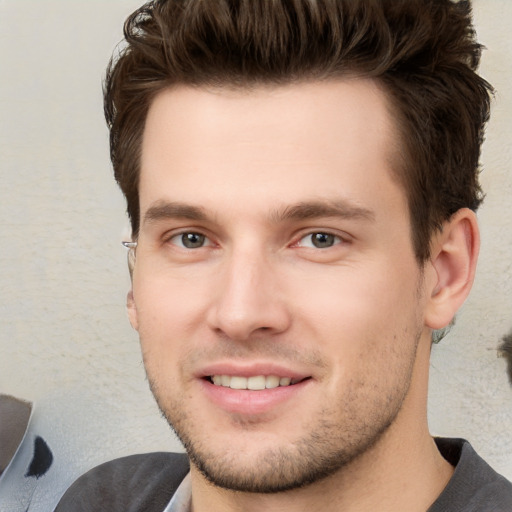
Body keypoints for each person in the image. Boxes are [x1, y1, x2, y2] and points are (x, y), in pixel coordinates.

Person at [56, 0, 512, 510]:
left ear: (445, 272)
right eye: (191, 238)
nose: (240, 313)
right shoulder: (103, 500)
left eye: (320, 239)